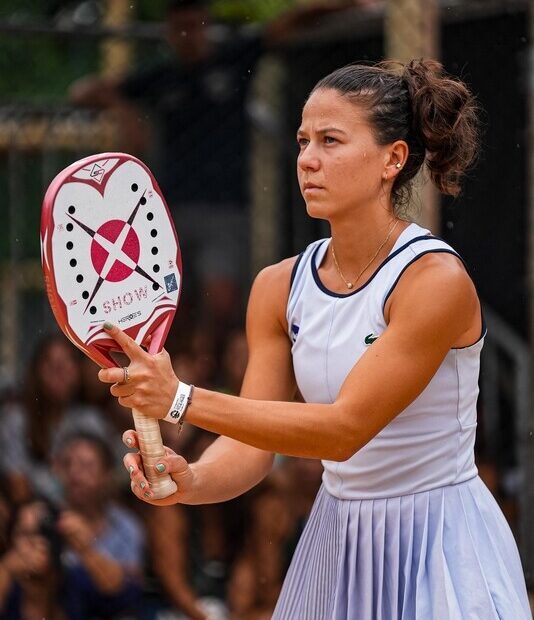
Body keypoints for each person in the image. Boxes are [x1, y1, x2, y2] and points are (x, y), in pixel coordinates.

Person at [98, 59, 531, 618]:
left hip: (441, 542)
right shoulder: (277, 286)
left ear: (392, 159)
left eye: (331, 141)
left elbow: (344, 430)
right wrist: (191, 482)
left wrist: (182, 399)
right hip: (338, 541)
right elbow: (254, 442)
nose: (307, 159)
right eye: (302, 140)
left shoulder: (434, 282)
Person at [69, 0, 359, 336]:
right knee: (172, 301)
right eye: (180, 29)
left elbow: (283, 26)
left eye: (193, 27)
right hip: (169, 207)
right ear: (169, 33)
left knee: (221, 301)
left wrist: (341, 6)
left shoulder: (232, 59)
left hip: (226, 205)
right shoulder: (162, 77)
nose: (187, 37)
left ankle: (213, 373)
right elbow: (83, 91)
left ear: (205, 25)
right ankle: (181, 374)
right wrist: (123, 110)